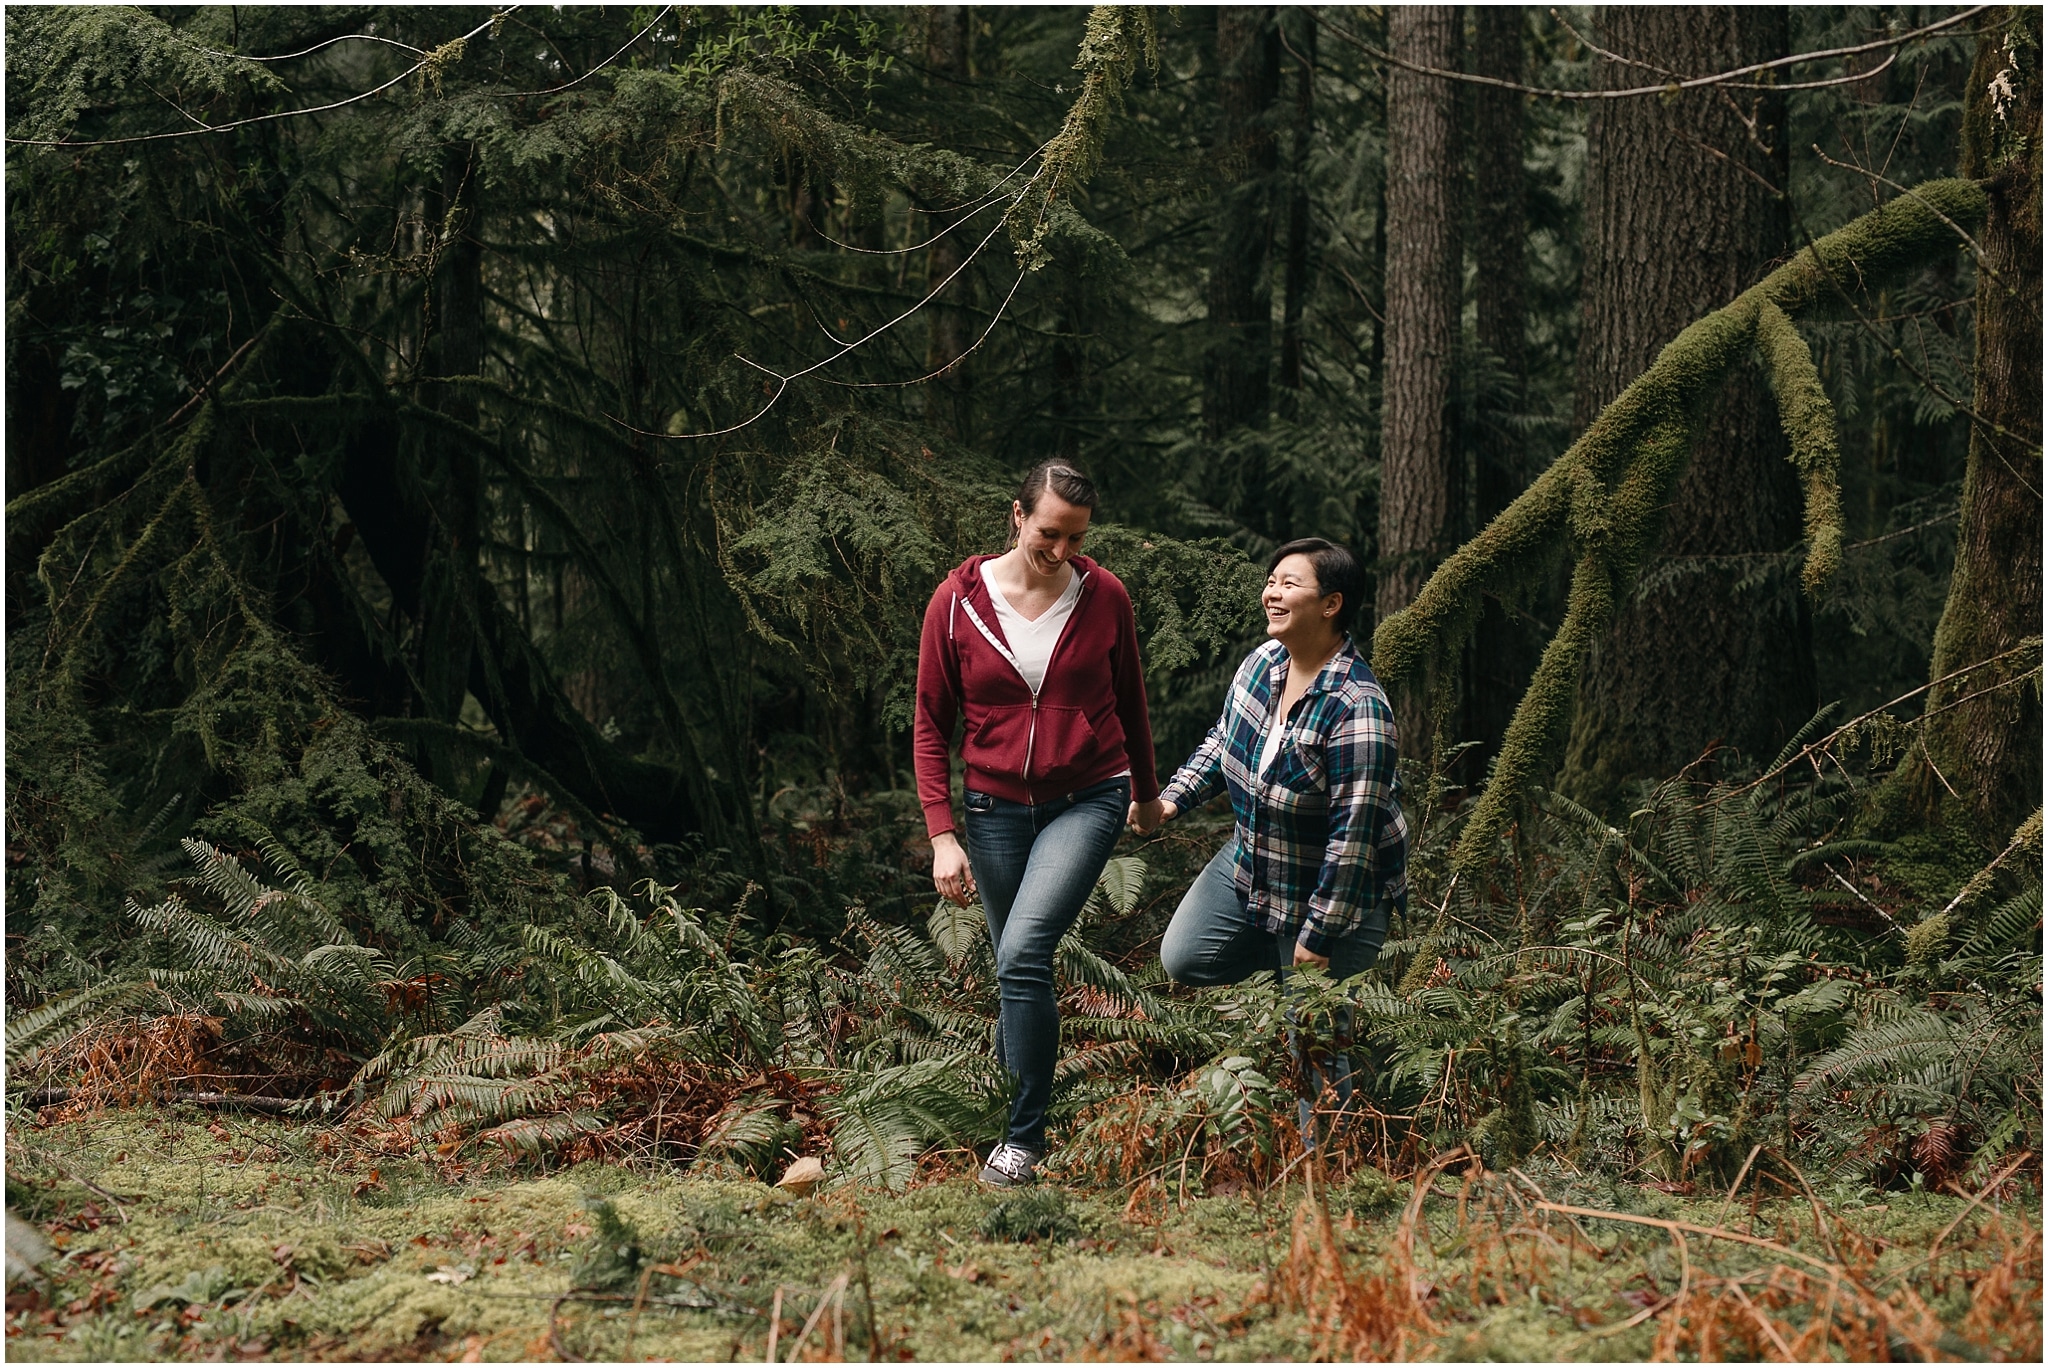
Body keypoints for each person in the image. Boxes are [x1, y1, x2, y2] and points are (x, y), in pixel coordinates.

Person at [914, 460, 1165, 1187]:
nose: (1061, 551)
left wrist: (1145, 794)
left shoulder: (1103, 594)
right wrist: (941, 834)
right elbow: (930, 723)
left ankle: (1022, 1141)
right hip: (992, 808)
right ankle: (1008, 1110)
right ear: (1016, 517)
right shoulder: (956, 603)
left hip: (1088, 795)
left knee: (1023, 953)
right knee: (1014, 969)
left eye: (1076, 539)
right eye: (1049, 534)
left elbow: (1131, 698)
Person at [1135, 538, 1406, 1113]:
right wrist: (1169, 803)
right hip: (1255, 855)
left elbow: (1354, 838)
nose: (1271, 593)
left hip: (1334, 888)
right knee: (1184, 956)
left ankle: (1328, 1178)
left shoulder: (1359, 707)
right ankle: (1301, 985)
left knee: (1314, 1046)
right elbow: (1222, 741)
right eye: (1271, 580)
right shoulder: (1261, 664)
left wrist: (1319, 938)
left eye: (1289, 584)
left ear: (1331, 604)